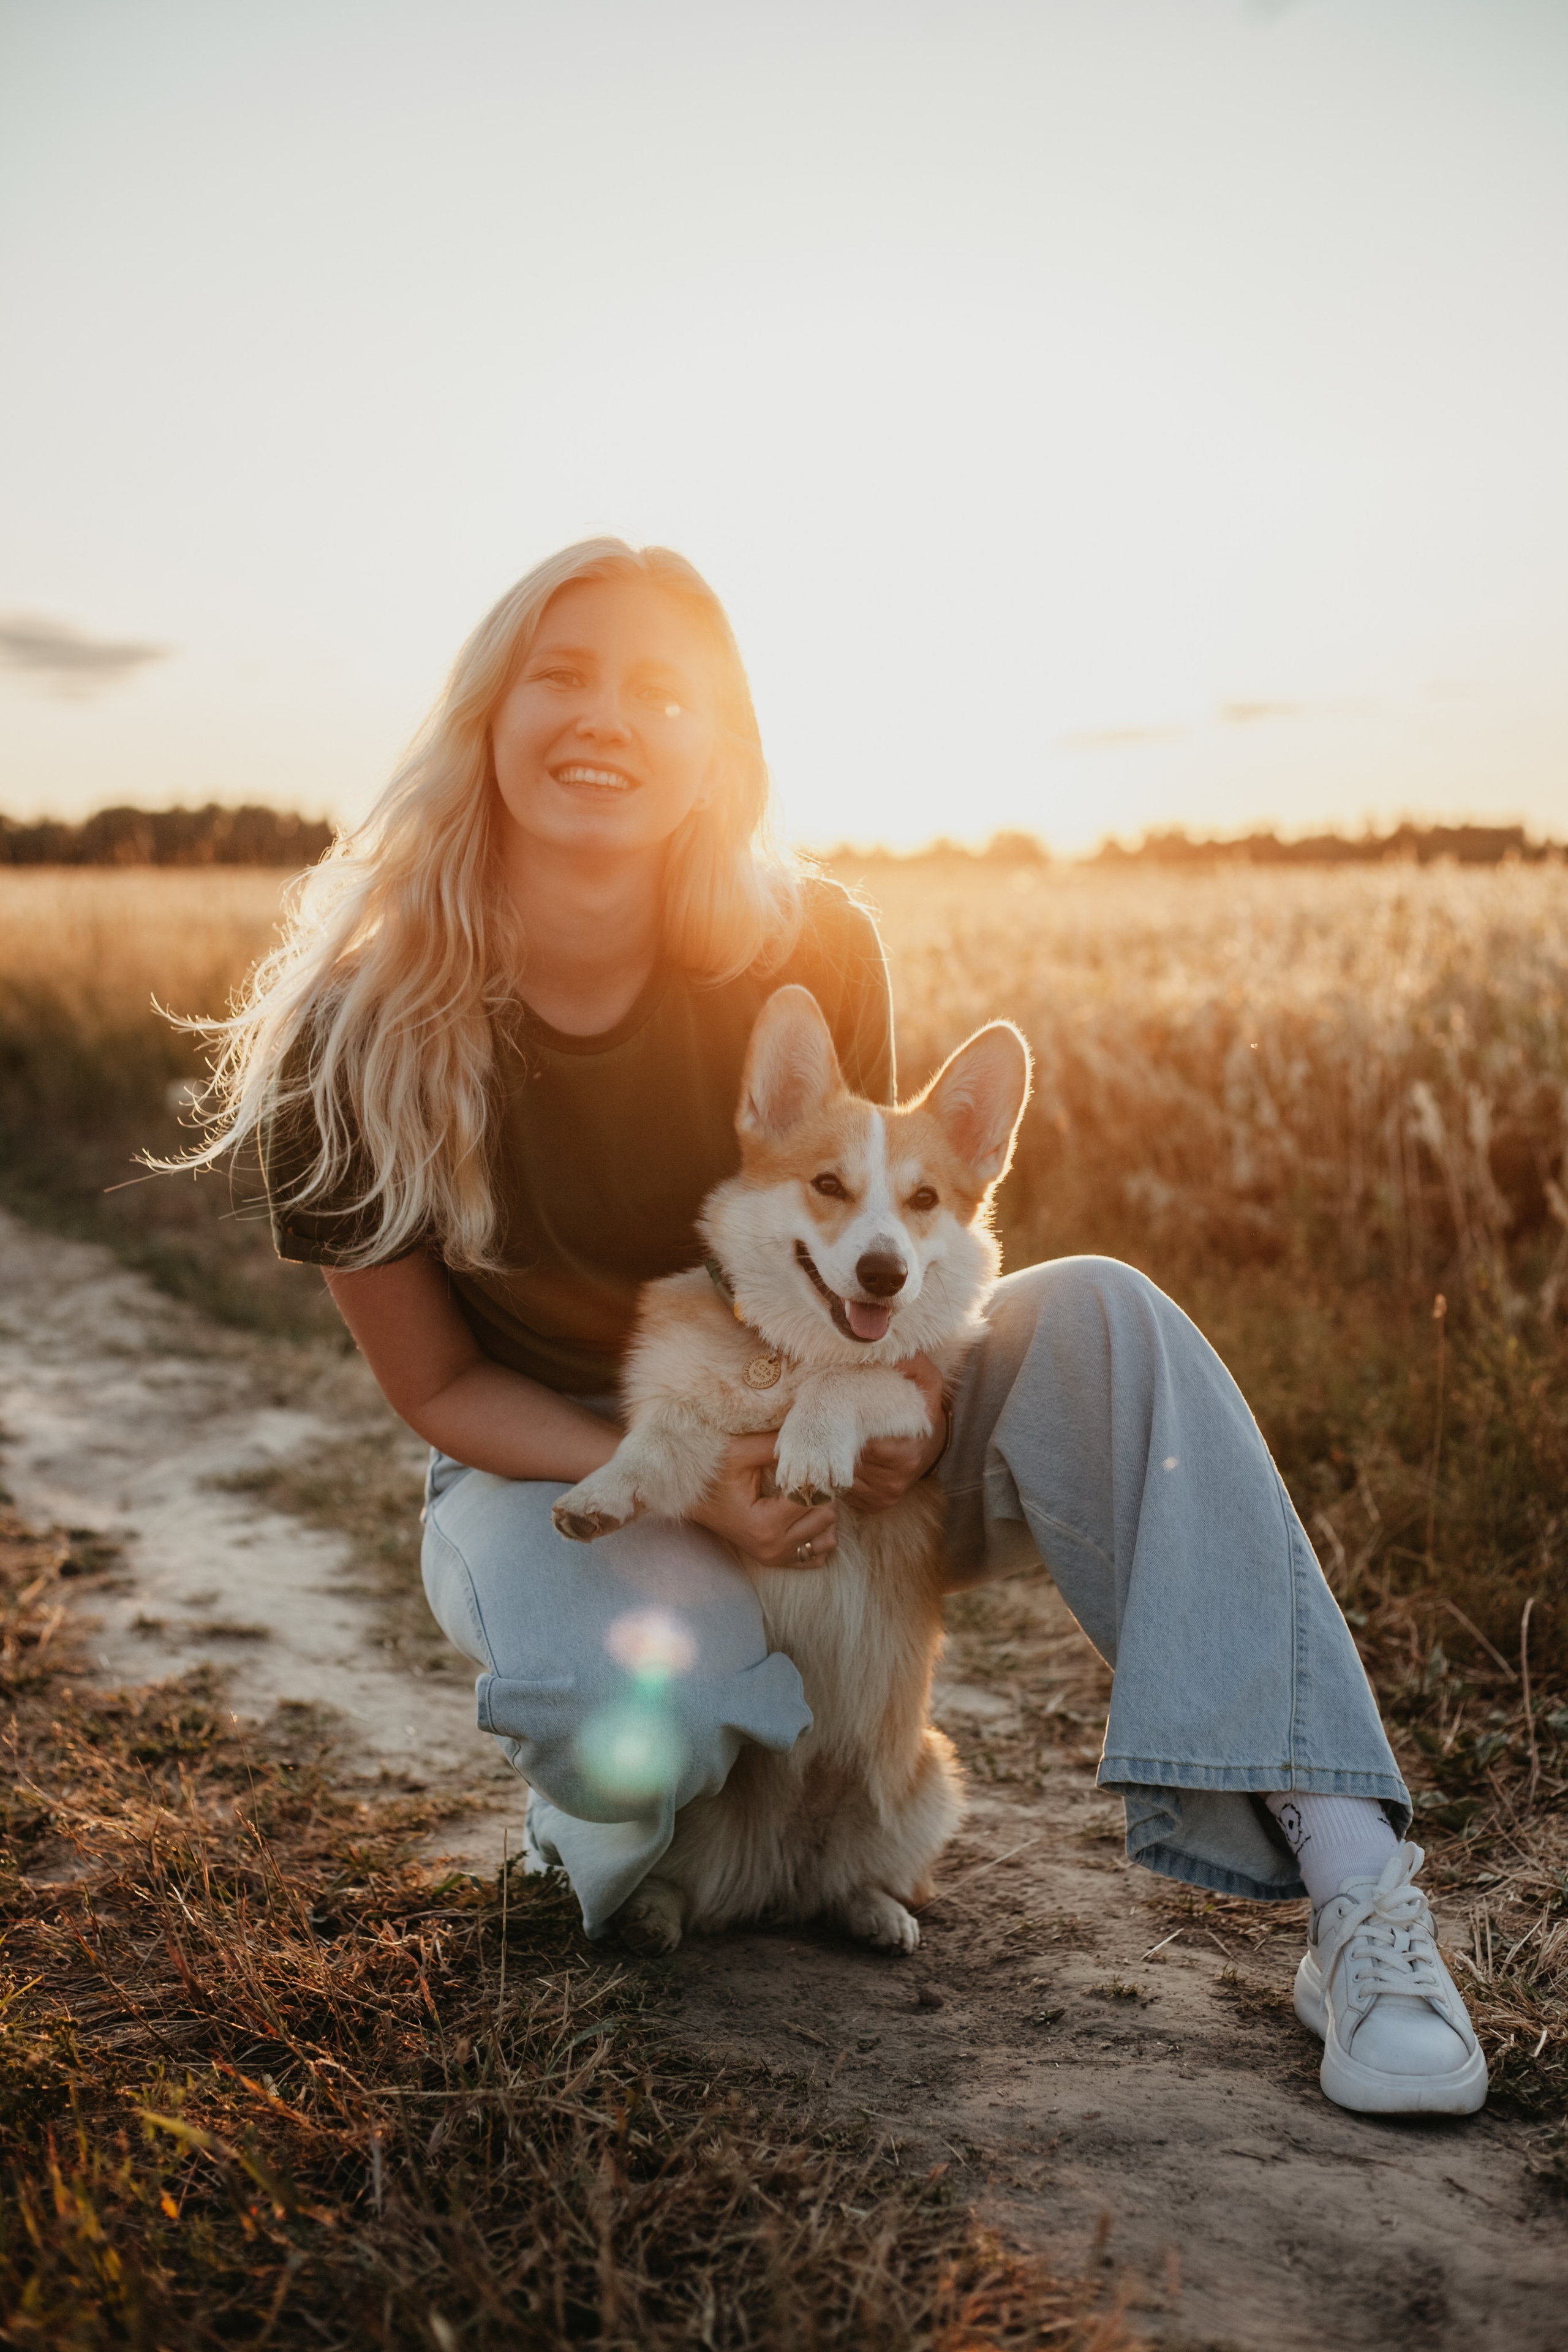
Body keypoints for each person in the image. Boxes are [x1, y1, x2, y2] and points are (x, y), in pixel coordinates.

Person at [194, 537, 1485, 2119]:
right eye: (563, 675)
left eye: (663, 691)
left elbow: (893, 1244)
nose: (609, 718)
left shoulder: (806, 944)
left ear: (718, 745)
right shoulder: (355, 1034)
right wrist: (699, 1485)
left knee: (1108, 1314)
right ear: (486, 713)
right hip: (573, 1461)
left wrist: (922, 1399)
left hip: (841, 1412)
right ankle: (610, 1820)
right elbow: (441, 1384)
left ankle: (1357, 1891)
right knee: (636, 1724)